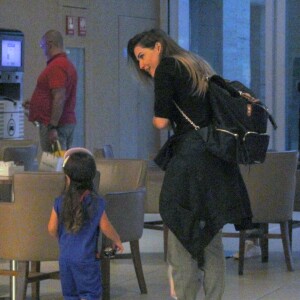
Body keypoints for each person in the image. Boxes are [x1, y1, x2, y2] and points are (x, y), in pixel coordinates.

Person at [127, 28, 253, 300]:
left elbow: (161, 121)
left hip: (191, 158)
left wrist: (161, 111)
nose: (141, 64)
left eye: (142, 55)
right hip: (216, 157)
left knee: (180, 223)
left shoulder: (167, 68)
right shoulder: (195, 63)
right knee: (210, 231)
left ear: (158, 47)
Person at [48, 147, 124, 299]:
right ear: (92, 176)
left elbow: (51, 228)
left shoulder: (60, 202)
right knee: (90, 294)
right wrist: (117, 239)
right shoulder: (96, 202)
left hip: (65, 259)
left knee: (70, 295)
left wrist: (60, 238)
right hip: (86, 260)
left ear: (67, 177)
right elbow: (105, 226)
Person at [24, 30, 77, 152]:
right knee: (59, 164)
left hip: (56, 127)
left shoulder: (57, 66)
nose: (43, 50)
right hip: (64, 123)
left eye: (42, 46)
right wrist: (35, 105)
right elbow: (54, 96)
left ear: (50, 44)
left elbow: (59, 97)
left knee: (53, 167)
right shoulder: (67, 65)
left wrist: (53, 127)